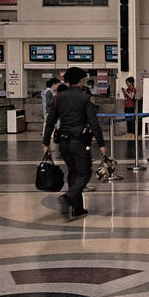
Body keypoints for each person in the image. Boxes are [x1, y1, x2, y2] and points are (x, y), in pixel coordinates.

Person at [42, 67, 108, 218]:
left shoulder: (58, 97)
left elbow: (50, 122)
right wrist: (102, 144)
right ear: (81, 80)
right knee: (84, 172)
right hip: (79, 142)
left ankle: (77, 208)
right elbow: (93, 123)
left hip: (63, 143)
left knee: (73, 172)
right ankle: (67, 197)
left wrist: (45, 143)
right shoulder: (85, 98)